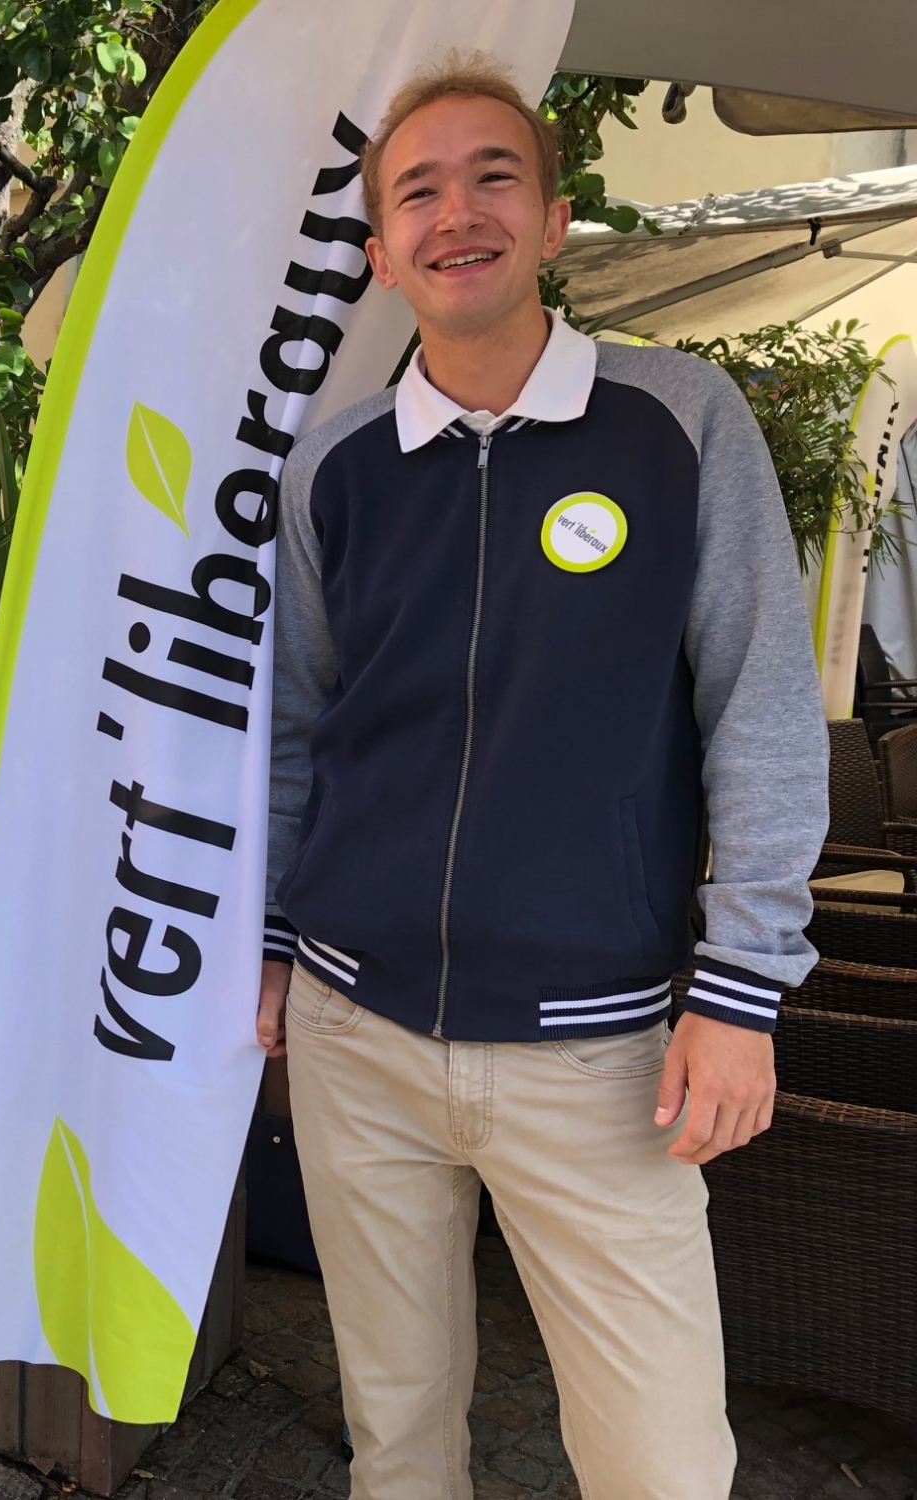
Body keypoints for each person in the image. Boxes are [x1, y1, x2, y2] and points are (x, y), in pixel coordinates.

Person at [255, 58, 825, 1500]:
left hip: (604, 1057)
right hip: (354, 1037)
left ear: (556, 219)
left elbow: (760, 711)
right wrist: (270, 941)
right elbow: (298, 729)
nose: (459, 214)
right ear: (381, 250)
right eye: (419, 192)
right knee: (396, 1444)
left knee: (661, 1467)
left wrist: (742, 986)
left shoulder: (679, 423)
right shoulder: (335, 470)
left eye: (493, 177)